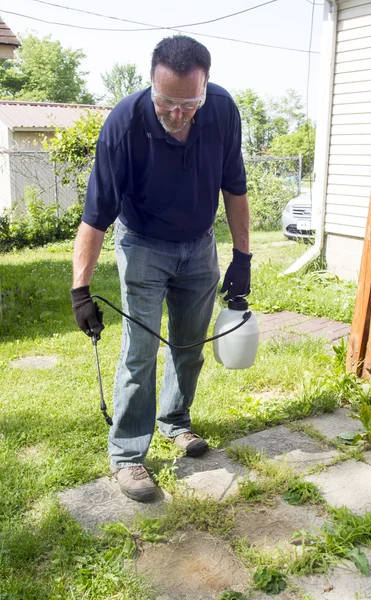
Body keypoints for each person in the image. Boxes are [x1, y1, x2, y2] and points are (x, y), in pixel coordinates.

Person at [70, 35, 251, 502]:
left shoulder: (223, 112)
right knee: (141, 349)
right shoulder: (124, 125)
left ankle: (175, 421)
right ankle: (128, 455)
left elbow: (235, 188)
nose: (178, 114)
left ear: (205, 88)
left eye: (189, 103)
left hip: (199, 243)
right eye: (166, 102)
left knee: (189, 345)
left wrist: (243, 258)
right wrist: (80, 289)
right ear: (151, 85)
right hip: (143, 243)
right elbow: (95, 215)